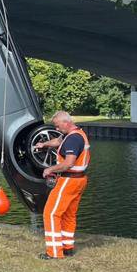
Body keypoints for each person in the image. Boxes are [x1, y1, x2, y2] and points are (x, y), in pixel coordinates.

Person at [34, 111, 90, 259]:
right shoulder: (75, 133)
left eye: (58, 126)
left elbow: (68, 163)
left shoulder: (73, 139)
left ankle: (54, 253)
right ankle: (67, 247)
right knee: (68, 214)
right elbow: (58, 141)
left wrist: (50, 169)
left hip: (69, 180)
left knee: (51, 213)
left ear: (66, 123)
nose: (56, 129)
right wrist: (44, 144)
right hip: (80, 180)